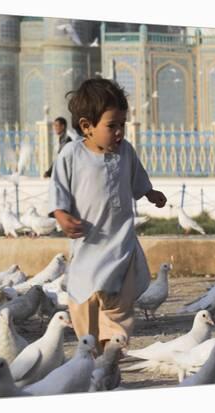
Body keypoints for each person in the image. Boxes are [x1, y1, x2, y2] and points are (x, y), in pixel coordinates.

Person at [48, 78, 167, 353]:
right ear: (86, 126)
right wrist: (61, 215)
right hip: (88, 248)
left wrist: (150, 193)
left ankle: (111, 352)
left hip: (121, 246)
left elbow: (137, 178)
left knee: (119, 308)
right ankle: (91, 354)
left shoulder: (125, 152)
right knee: (84, 305)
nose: (119, 132)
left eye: (122, 125)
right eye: (111, 126)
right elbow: (58, 189)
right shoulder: (71, 155)